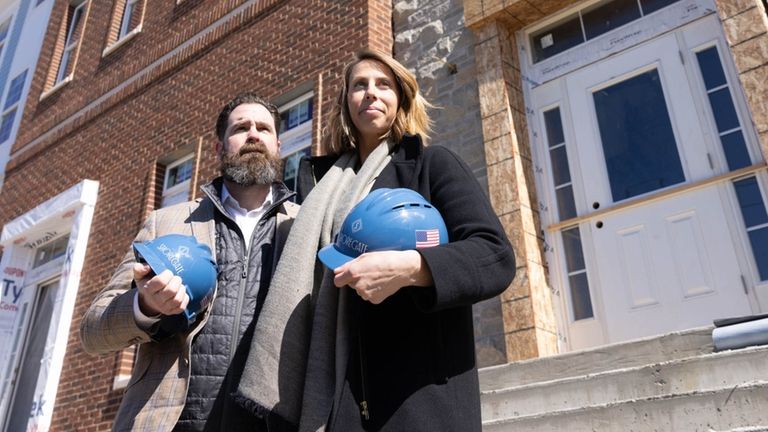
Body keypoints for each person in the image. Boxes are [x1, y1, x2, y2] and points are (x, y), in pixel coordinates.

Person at [234, 50, 516, 431]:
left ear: (400, 97)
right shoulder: (317, 186)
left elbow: (494, 255)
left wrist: (413, 269)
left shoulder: (432, 166)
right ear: (346, 102)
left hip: (419, 397)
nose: (371, 93)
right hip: (339, 396)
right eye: (359, 85)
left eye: (383, 84)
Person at [80, 92, 299, 431]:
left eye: (263, 128)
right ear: (218, 148)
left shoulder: (304, 226)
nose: (254, 134)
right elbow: (94, 331)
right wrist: (145, 307)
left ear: (278, 146)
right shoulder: (166, 222)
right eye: (241, 127)